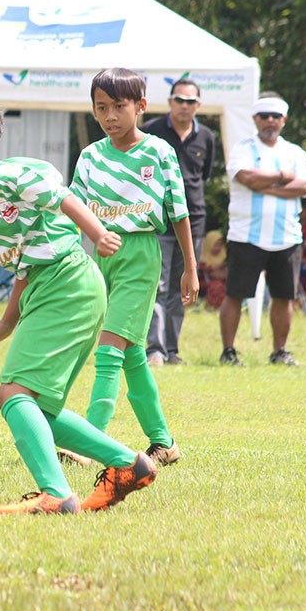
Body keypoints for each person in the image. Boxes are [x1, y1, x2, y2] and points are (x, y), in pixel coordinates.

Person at [0, 86, 157, 515]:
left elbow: (61, 196)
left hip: (66, 283)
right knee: (39, 408)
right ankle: (130, 464)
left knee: (12, 392)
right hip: (54, 288)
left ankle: (55, 493)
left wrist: (96, 233)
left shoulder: (14, 173)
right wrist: (7, 323)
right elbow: (24, 267)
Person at [69, 68, 197, 467]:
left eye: (119, 106)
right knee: (133, 355)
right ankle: (163, 441)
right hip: (100, 258)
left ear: (140, 107)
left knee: (108, 350)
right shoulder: (90, 157)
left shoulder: (158, 152)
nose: (110, 116)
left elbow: (178, 210)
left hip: (141, 257)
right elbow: (72, 209)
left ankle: (89, 441)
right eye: (101, 107)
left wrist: (189, 266)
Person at [219, 93, 306, 366]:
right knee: (236, 294)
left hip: (286, 236)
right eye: (264, 116)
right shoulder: (243, 149)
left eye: (275, 116)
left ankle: (279, 351)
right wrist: (284, 177)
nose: (269, 121)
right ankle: (228, 351)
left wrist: (265, 185)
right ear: (255, 119)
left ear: (284, 120)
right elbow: (247, 178)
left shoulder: (295, 152)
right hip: (246, 235)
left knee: (284, 296)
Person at [142, 79, 215, 366]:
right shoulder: (151, 132)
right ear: (170, 102)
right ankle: (155, 349)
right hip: (159, 221)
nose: (184, 106)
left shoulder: (207, 136)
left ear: (198, 105)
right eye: (179, 100)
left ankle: (172, 350)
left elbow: (204, 175)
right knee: (157, 286)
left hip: (193, 221)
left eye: (190, 101)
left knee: (182, 288)